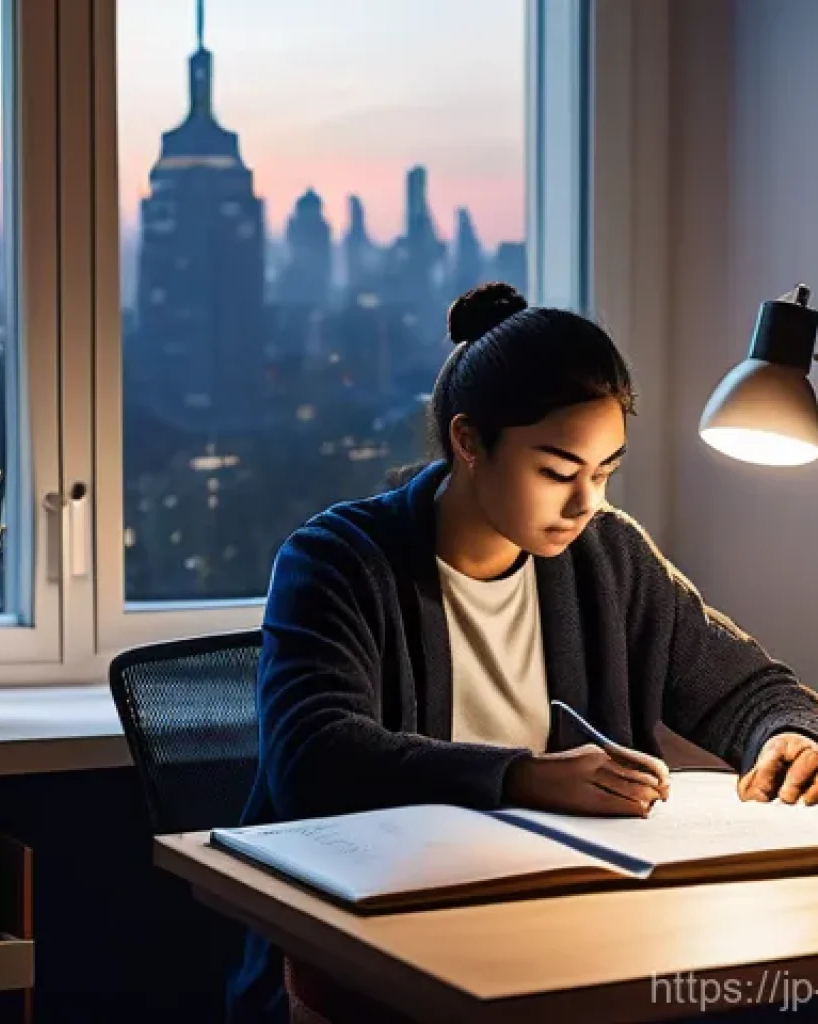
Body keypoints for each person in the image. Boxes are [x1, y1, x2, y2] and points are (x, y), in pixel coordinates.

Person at [226, 283, 818, 1024]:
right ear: (469, 442)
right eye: (557, 472)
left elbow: (745, 686)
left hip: (572, 929)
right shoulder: (339, 560)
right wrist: (522, 778)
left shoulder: (608, 554)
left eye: (603, 472)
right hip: (368, 947)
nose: (585, 503)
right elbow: (313, 758)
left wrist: (788, 733)